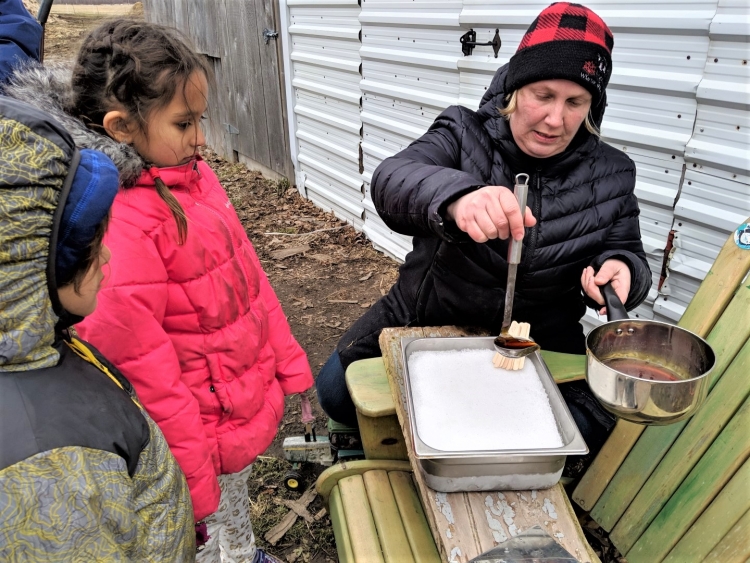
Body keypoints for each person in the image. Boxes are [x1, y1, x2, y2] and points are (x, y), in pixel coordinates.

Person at [3, 19, 313, 563]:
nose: (200, 137)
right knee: (204, 523)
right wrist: (190, 483)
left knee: (232, 505)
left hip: (227, 406)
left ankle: (241, 553)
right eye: (183, 122)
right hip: (191, 431)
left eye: (201, 119)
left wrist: (288, 363)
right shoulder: (122, 222)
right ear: (121, 126)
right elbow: (142, 367)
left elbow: (248, 276)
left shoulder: (191, 177)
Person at [316, 2, 651, 471]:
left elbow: (627, 252)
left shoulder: (613, 172)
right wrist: (459, 198)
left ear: (592, 107)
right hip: (427, 316)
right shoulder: (461, 131)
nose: (555, 119)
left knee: (591, 425)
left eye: (575, 102)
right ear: (515, 89)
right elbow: (392, 180)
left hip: (542, 338)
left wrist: (624, 272)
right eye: (543, 95)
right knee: (336, 393)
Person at [0, 95, 194, 561]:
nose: (106, 256)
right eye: (88, 247)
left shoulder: (41, 344)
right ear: (24, 264)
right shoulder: (48, 468)